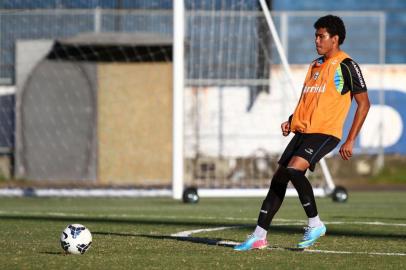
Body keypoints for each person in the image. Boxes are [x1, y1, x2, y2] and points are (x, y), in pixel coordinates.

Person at [234, 14, 370, 251]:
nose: (317, 40)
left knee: (295, 168)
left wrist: (350, 139)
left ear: (335, 39)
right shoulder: (315, 65)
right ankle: (259, 235)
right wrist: (291, 120)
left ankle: (315, 223)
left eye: (321, 36)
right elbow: (307, 99)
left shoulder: (347, 65)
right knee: (278, 179)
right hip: (303, 131)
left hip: (325, 132)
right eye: (315, 36)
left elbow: (364, 103)